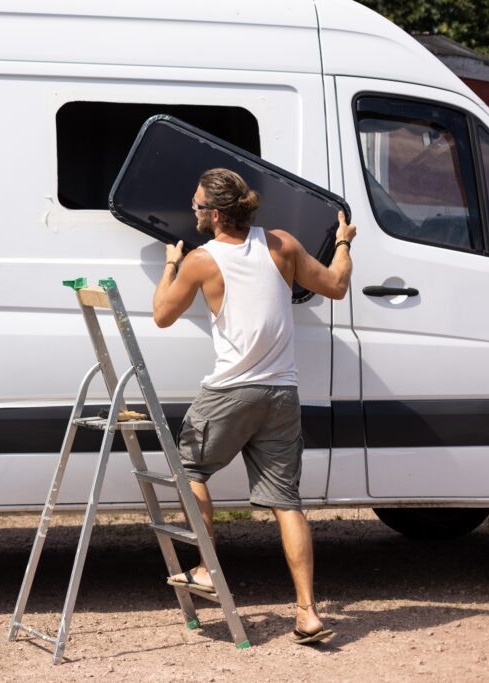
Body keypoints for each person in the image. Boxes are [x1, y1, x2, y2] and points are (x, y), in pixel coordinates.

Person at [151, 168, 356, 645]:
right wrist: (343, 241)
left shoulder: (202, 260)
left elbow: (162, 315)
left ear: (216, 213)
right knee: (287, 502)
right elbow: (337, 285)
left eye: (198, 205)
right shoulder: (282, 244)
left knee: (191, 470)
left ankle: (205, 567)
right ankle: (306, 612)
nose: (194, 210)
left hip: (229, 391)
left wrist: (169, 265)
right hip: (281, 393)